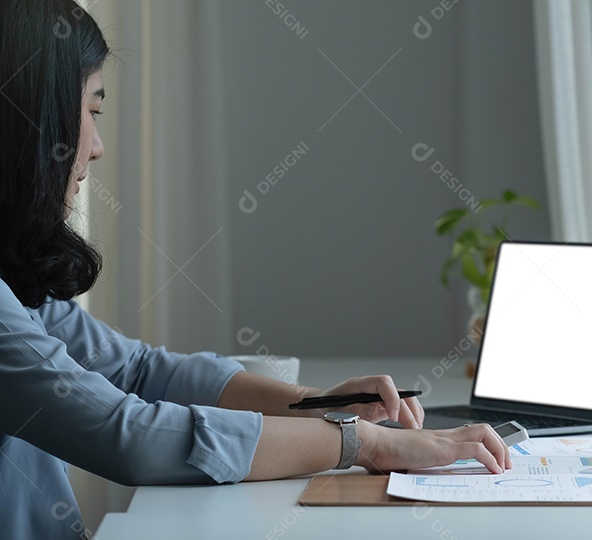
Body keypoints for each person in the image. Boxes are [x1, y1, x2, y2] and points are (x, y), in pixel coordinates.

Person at [0, 1, 510, 537]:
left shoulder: (19, 284)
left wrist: (319, 407)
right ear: (29, 119)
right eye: (92, 111)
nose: (97, 147)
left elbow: (142, 373)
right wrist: (363, 442)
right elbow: (129, 437)